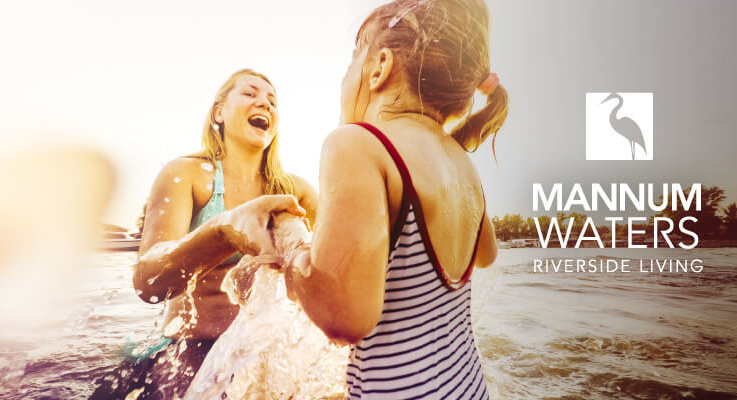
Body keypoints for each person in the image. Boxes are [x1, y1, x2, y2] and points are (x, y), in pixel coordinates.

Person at [224, 0, 507, 398]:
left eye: (352, 59)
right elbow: (485, 255)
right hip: (468, 388)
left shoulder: (357, 144)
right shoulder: (463, 164)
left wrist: (288, 236)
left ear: (379, 68)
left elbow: (343, 317)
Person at [90, 69, 316, 399]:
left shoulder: (295, 192)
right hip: (189, 346)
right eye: (250, 93)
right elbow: (148, 283)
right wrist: (224, 231)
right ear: (218, 112)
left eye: (272, 100)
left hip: (263, 352)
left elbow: (338, 263)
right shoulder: (187, 175)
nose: (264, 103)